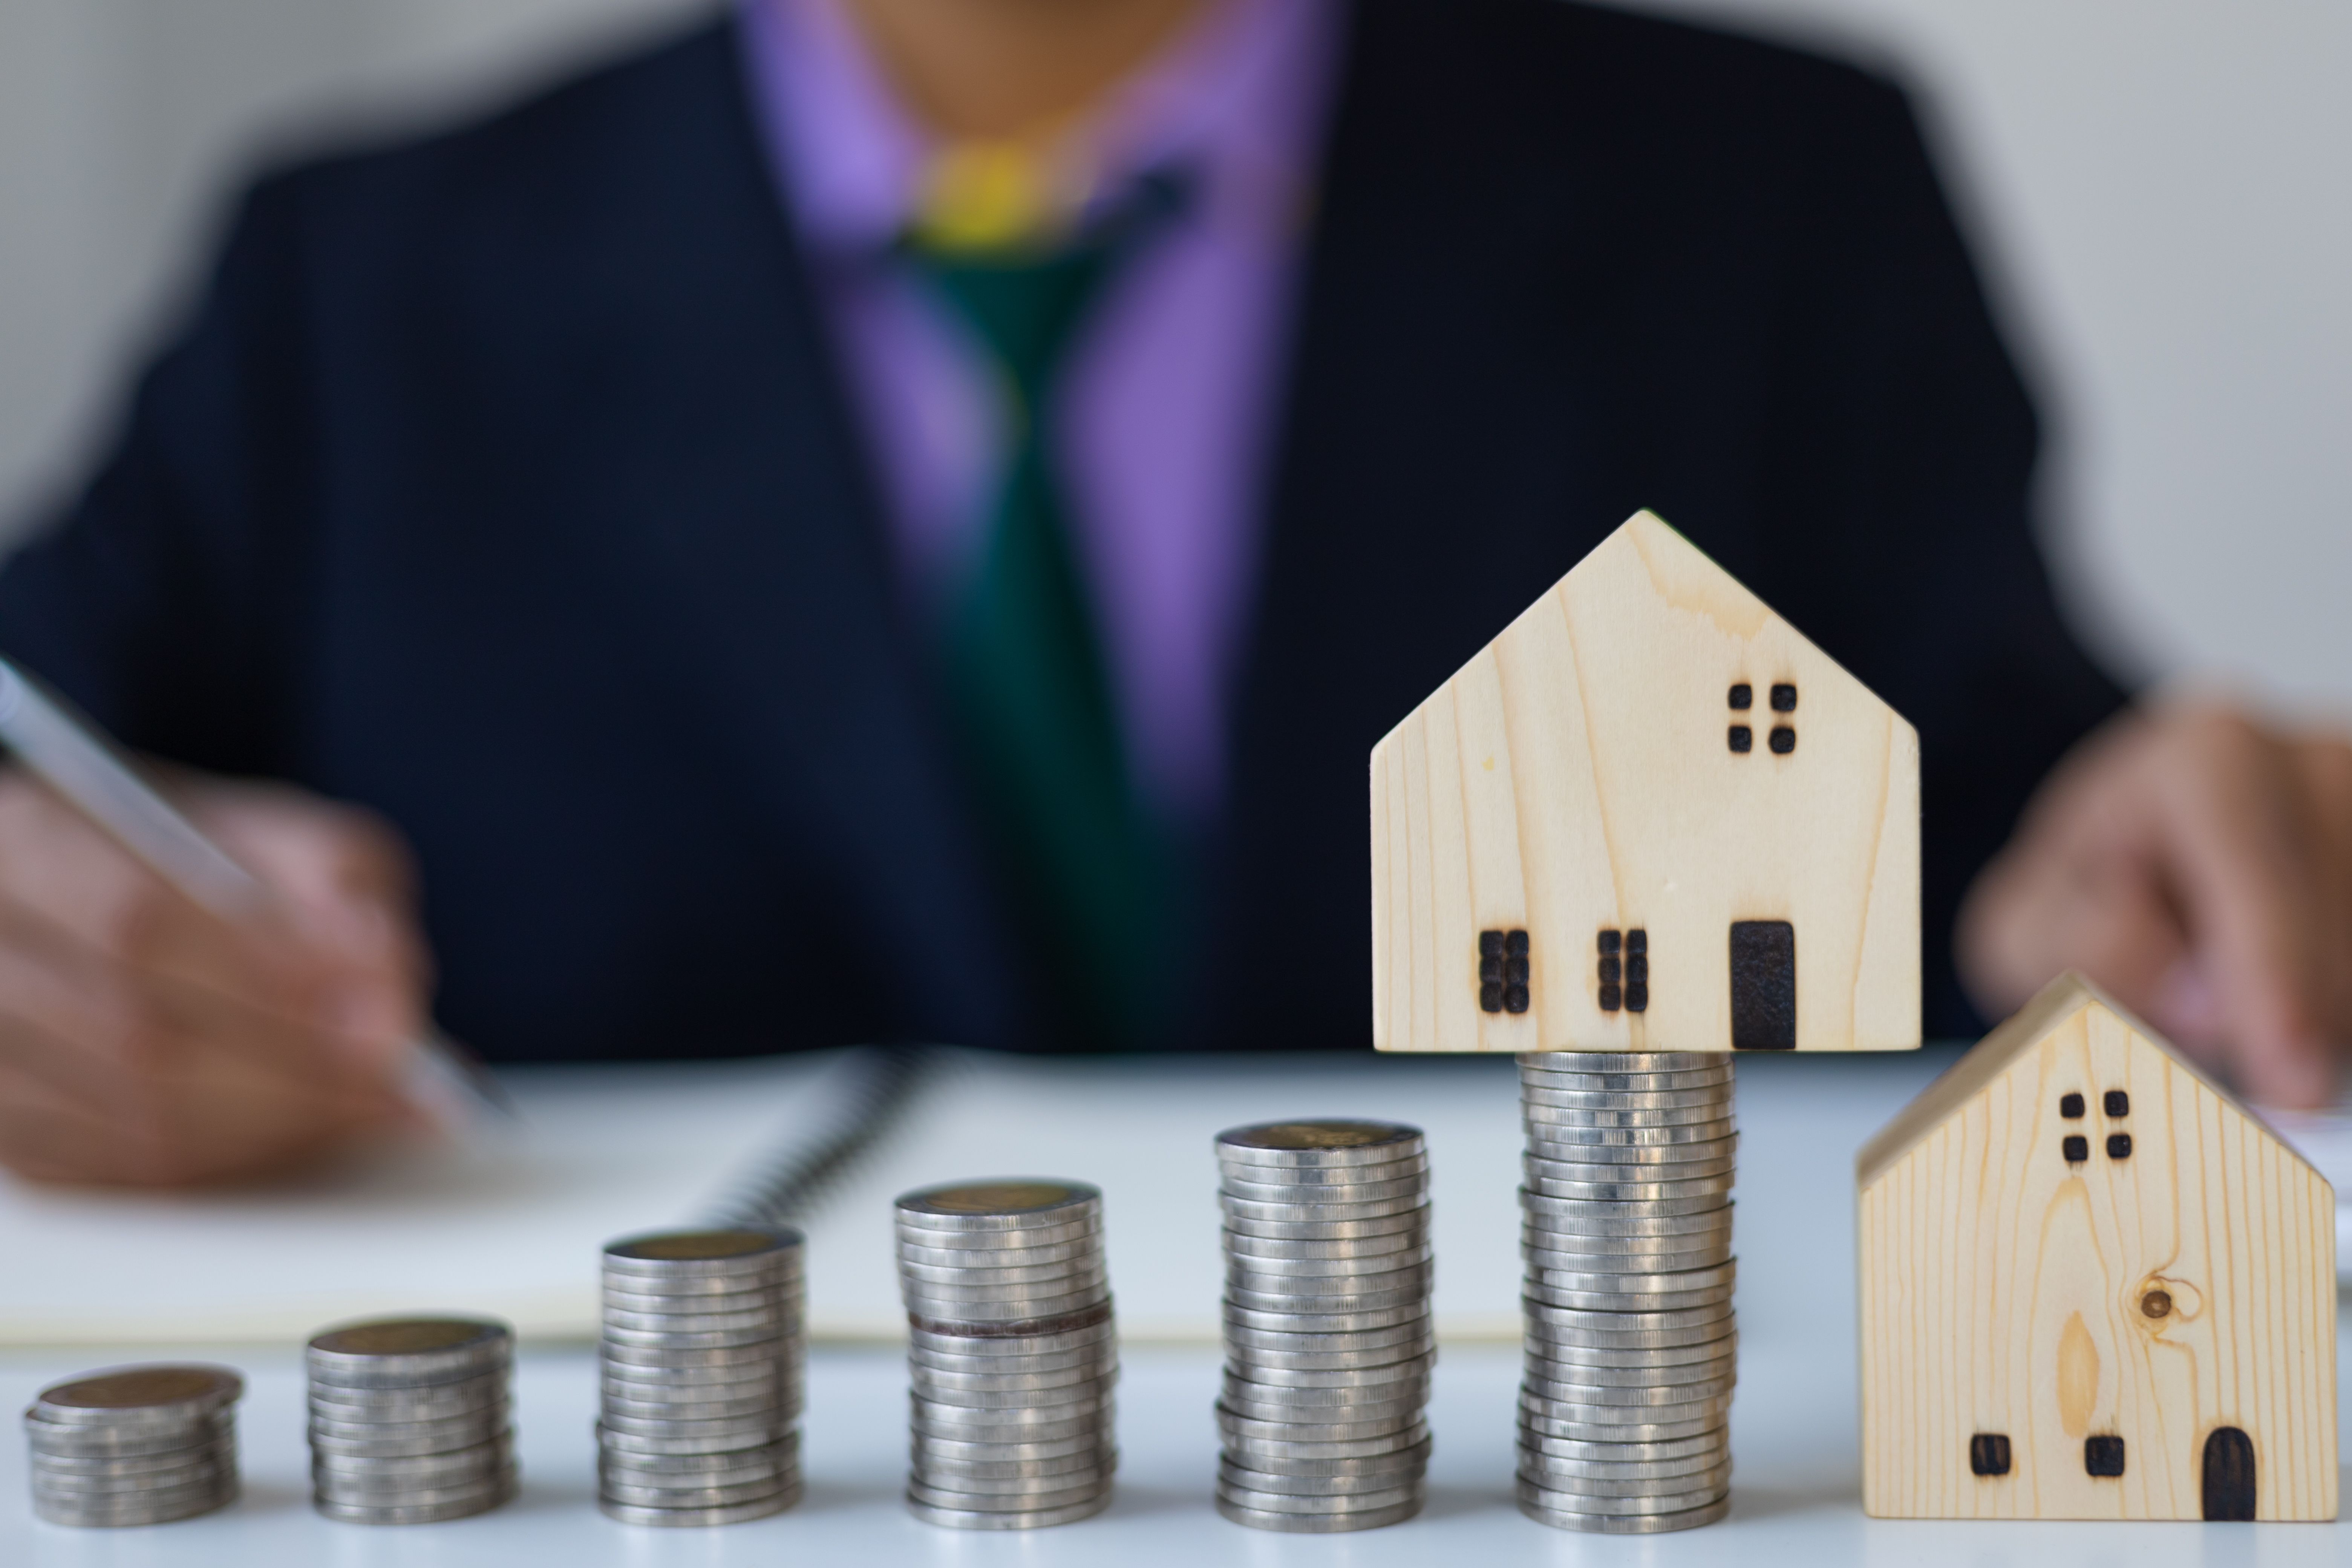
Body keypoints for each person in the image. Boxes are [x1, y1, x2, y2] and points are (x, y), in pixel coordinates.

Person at [0, 0, 2343, 1187]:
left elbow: (2021, 838)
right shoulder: (353, 285)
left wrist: (2181, 856)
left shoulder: (1777, 205)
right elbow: (45, 736)